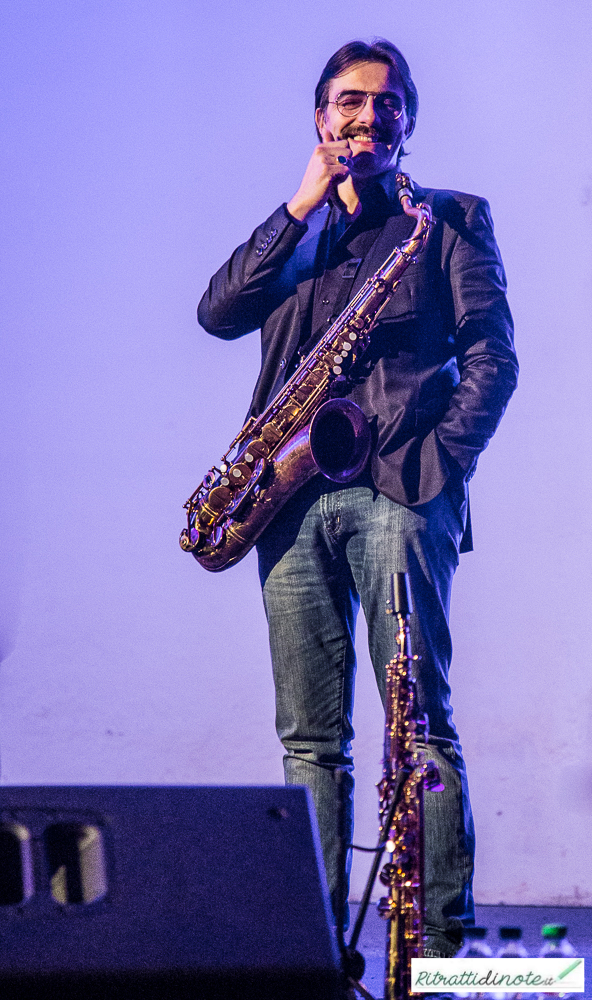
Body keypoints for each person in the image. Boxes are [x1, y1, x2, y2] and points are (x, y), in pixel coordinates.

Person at [197, 38, 518, 958]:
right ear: (320, 116)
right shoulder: (295, 237)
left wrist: (439, 463)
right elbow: (218, 313)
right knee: (309, 740)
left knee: (420, 726)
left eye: (384, 104)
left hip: (401, 493)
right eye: (348, 102)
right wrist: (300, 204)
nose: (366, 117)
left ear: (407, 120)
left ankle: (441, 956)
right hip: (289, 500)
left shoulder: (448, 219)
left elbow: (494, 357)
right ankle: (314, 946)